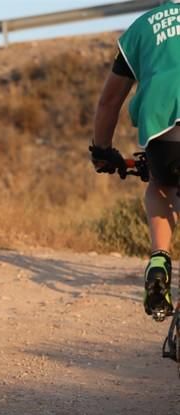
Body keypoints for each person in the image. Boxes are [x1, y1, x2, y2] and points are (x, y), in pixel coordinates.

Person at [91, 0, 180, 321]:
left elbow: (109, 101)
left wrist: (101, 150)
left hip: (162, 126)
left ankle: (159, 260)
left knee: (161, 184)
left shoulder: (144, 26)